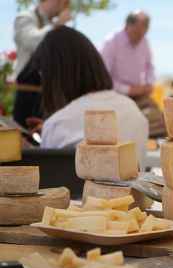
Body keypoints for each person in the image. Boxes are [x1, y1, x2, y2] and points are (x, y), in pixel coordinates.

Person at [33, 26, 148, 167]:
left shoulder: (57, 124)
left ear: (55, 76)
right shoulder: (133, 111)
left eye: (42, 74)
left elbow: (50, 181)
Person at [100, 11, 165, 137]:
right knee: (127, 122)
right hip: (115, 95)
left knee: (162, 120)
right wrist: (129, 90)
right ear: (127, 26)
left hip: (139, 95)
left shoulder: (144, 41)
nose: (139, 37)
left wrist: (149, 84)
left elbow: (150, 66)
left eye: (143, 33)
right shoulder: (111, 42)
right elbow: (104, 78)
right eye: (136, 32)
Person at [12, 0, 71, 130]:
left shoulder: (52, 24)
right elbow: (31, 41)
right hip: (27, 95)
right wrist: (57, 25)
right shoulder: (25, 17)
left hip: (48, 96)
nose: (66, 5)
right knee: (24, 141)